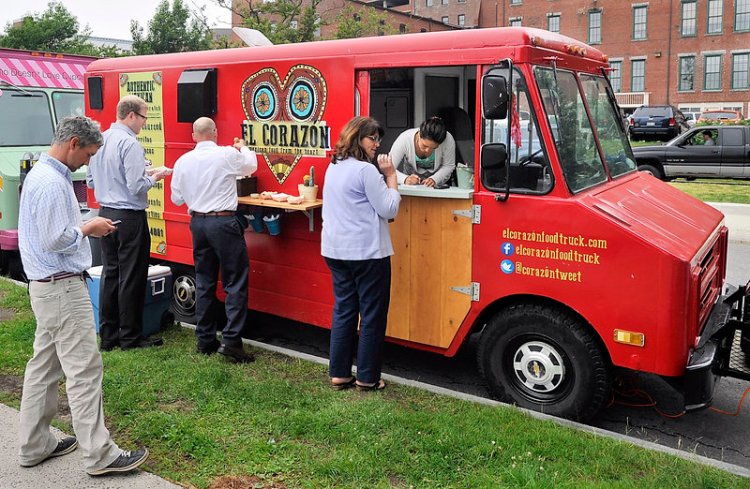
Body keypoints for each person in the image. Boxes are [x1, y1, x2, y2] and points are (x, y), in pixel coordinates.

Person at [18, 116, 149, 476]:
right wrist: (87, 228)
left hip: (46, 288)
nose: (89, 162)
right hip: (61, 286)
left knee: (44, 367)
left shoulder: (45, 177)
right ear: (73, 142)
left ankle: (34, 444)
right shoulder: (51, 183)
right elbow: (54, 239)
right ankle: (99, 454)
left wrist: (80, 224)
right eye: (89, 154)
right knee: (85, 371)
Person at [321, 116, 401, 391]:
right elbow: (389, 209)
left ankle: (339, 373)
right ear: (358, 138)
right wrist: (391, 177)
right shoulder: (366, 171)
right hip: (367, 253)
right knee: (372, 315)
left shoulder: (334, 167)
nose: (377, 145)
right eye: (372, 139)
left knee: (344, 310)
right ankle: (367, 378)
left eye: (378, 139)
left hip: (335, 249)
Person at [86, 95, 170, 351]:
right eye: (144, 117)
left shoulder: (101, 140)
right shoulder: (130, 143)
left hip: (105, 211)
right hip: (130, 216)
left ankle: (108, 335)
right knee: (131, 276)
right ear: (131, 115)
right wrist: (154, 176)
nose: (144, 123)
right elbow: (135, 187)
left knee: (111, 273)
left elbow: (91, 181)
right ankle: (131, 338)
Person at [170, 117, 257, 363]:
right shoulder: (227, 154)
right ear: (215, 133)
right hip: (224, 222)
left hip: (198, 223)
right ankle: (231, 342)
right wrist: (243, 148)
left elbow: (176, 199)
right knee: (235, 282)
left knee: (205, 280)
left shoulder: (182, 161)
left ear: (194, 136)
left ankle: (205, 339)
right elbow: (250, 167)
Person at [390, 116, 456, 188]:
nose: (428, 150)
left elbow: (448, 165)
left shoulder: (448, 140)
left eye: (434, 148)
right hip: (411, 184)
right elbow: (389, 168)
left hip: (438, 184)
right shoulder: (404, 139)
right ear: (419, 135)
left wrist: (435, 179)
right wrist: (405, 179)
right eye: (425, 145)